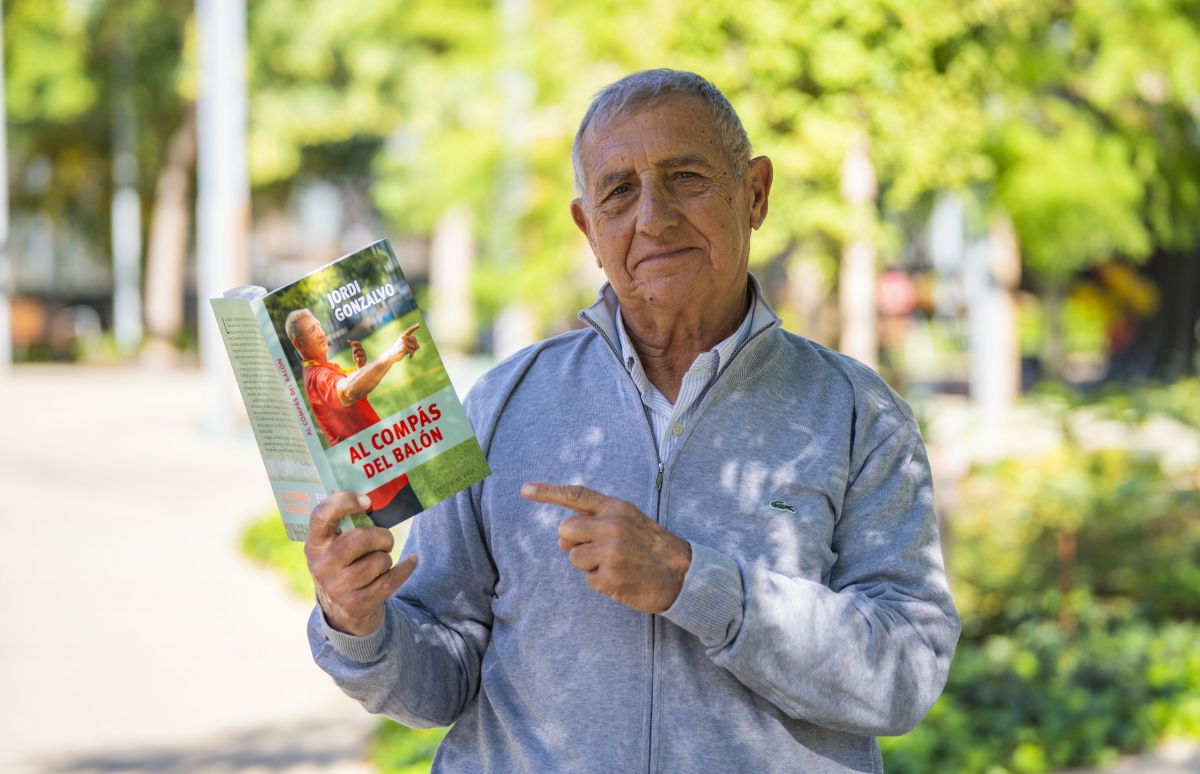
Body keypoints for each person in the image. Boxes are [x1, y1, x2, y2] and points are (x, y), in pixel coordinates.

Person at [303, 69, 960, 773]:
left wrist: (693, 582)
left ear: (756, 193)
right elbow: (442, 674)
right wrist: (360, 625)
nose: (654, 216)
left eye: (685, 176)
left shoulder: (856, 412)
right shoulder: (501, 402)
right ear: (589, 227)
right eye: (619, 191)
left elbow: (906, 669)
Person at [285, 308, 423, 526]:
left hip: (381, 468)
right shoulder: (317, 376)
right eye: (312, 330)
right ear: (298, 344)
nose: (321, 333)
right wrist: (390, 354)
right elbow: (348, 392)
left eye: (319, 325)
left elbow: (354, 397)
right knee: (420, 534)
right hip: (379, 486)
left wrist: (361, 369)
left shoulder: (324, 367)